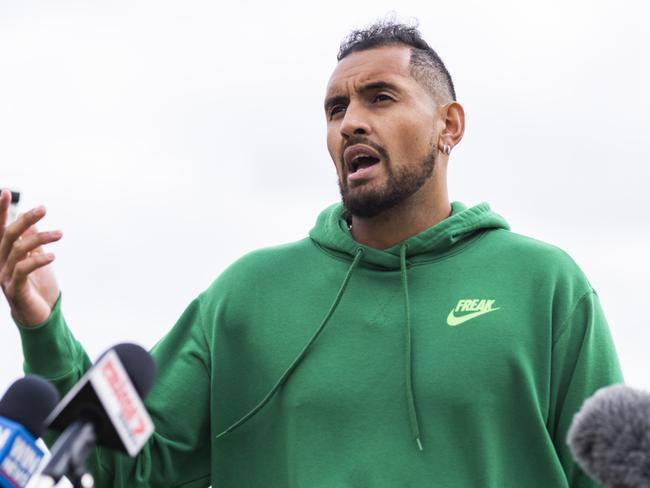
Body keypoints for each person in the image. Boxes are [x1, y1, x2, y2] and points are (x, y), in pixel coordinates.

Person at [0, 20, 622, 487]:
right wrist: (43, 320)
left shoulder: (544, 285)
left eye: (380, 97)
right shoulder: (245, 296)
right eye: (336, 108)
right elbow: (122, 467)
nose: (350, 121)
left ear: (449, 125)